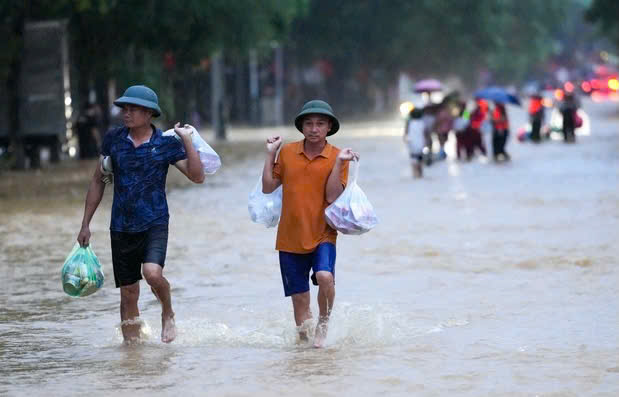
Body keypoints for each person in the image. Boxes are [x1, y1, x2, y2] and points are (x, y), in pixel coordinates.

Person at [76, 85, 205, 343]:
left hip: (155, 222)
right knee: (128, 292)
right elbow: (98, 180)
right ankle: (132, 353)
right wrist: (85, 224)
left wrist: (187, 140)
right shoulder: (113, 139)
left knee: (152, 273)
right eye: (125, 108)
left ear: (149, 114)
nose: (126, 113)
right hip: (121, 226)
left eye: (133, 109)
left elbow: (197, 176)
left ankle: (167, 311)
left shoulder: (166, 144)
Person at [261, 100, 358, 348]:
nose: (314, 129)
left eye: (320, 124)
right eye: (309, 124)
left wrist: (338, 164)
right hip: (289, 238)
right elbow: (268, 187)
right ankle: (305, 357)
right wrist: (270, 153)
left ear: (329, 128)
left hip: (323, 233)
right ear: (302, 127)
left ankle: (324, 324)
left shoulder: (339, 156)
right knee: (300, 306)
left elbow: (333, 196)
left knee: (325, 276)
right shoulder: (288, 153)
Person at [404, 107, 425, 178]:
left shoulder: (409, 123)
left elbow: (405, 134)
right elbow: (425, 133)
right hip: (421, 143)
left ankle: (415, 174)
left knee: (413, 159)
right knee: (420, 158)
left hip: (412, 144)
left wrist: (406, 141)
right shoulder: (422, 123)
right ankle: (420, 174)